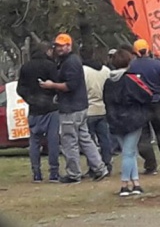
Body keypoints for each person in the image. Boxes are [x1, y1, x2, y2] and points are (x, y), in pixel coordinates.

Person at [39, 33, 108, 183]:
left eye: (62, 45)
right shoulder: (69, 61)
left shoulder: (70, 63)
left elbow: (70, 86)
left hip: (71, 108)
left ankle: (74, 173)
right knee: (85, 139)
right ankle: (100, 168)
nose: (59, 48)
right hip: (79, 106)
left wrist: (52, 85)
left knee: (69, 141)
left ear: (69, 46)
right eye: (57, 45)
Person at [104, 50, 153, 196]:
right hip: (133, 119)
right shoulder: (132, 79)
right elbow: (147, 94)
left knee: (129, 152)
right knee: (129, 153)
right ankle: (125, 184)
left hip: (115, 120)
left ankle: (136, 182)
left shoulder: (108, 82)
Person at [129, 39, 160, 175]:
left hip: (140, 104)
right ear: (148, 50)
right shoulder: (158, 65)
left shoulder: (131, 67)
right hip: (158, 102)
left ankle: (150, 165)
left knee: (144, 137)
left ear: (135, 52)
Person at [17, 42, 60, 183]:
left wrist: (30, 99)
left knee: (34, 141)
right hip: (50, 107)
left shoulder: (25, 67)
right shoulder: (50, 66)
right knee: (53, 141)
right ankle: (54, 173)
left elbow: (20, 88)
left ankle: (36, 173)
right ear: (47, 51)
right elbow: (57, 84)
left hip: (34, 109)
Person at [80, 46, 113, 177]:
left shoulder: (83, 71)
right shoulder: (105, 70)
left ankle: (94, 166)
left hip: (88, 109)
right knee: (104, 139)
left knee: (89, 141)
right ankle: (107, 163)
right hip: (103, 108)